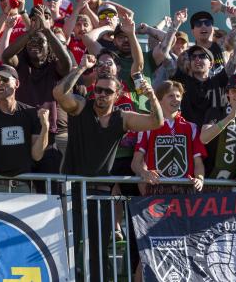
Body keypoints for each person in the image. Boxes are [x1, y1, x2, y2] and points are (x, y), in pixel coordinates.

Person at [53, 54, 163, 282]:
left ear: (118, 95)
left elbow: (156, 122)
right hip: (73, 188)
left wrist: (151, 96)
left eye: (107, 92)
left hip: (101, 192)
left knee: (98, 250)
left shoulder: (121, 118)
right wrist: (81, 67)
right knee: (66, 247)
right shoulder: (80, 106)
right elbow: (59, 94)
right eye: (98, 90)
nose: (101, 95)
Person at [0, 5, 72, 187]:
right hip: (22, 134)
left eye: (40, 42)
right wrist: (30, 33)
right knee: (23, 188)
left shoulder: (54, 65)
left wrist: (47, 31)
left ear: (49, 46)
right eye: (30, 42)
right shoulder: (21, 62)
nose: (34, 45)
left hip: (48, 136)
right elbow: (6, 56)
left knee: (51, 189)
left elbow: (67, 64)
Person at [0, 65, 50, 193]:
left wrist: (45, 128)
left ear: (16, 83)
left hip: (23, 186)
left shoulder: (32, 113)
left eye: (5, 79)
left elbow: (37, 155)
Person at [172, 5, 236, 126]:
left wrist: (231, 16)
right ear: (192, 31)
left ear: (212, 28)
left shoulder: (221, 46)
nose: (203, 26)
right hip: (195, 111)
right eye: (198, 24)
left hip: (220, 106)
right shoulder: (185, 56)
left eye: (207, 22)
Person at [132, 80, 206, 194]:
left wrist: (200, 179)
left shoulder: (191, 127)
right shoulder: (147, 126)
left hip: (185, 189)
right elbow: (136, 163)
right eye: (170, 96)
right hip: (157, 188)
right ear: (160, 100)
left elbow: (198, 163)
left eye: (178, 96)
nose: (175, 99)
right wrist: (144, 173)